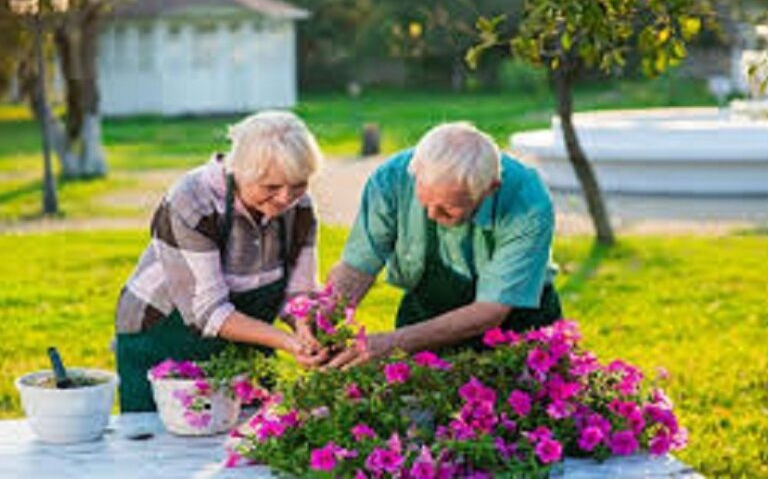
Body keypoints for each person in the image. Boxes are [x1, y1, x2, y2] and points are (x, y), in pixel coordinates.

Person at [115, 110, 326, 412]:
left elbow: (299, 290)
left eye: (298, 184)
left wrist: (303, 328)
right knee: (160, 445)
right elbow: (208, 312)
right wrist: (289, 343)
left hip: (249, 337)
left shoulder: (298, 206)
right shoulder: (192, 201)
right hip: (164, 336)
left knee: (250, 437)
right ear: (239, 171)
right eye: (271, 187)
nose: (285, 199)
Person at [324, 121, 562, 369]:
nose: (431, 215)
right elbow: (358, 266)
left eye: (449, 207)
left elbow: (492, 308)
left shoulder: (527, 200)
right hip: (427, 312)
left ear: (490, 188)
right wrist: (325, 319)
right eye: (425, 201)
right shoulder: (391, 179)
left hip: (514, 324)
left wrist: (392, 342)